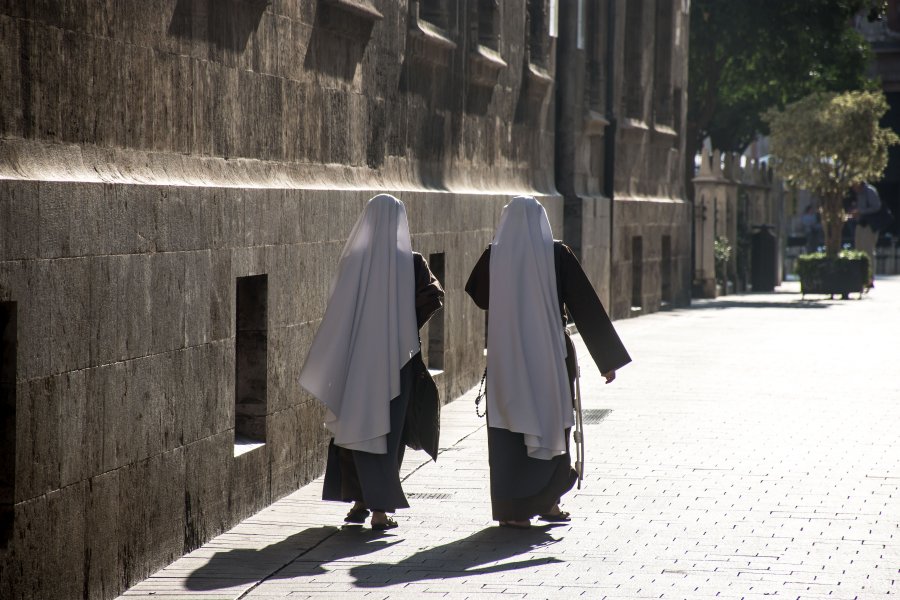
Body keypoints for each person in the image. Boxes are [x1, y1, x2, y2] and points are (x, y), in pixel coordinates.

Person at [464, 196, 631, 529]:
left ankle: (513, 511)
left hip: (508, 354)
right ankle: (550, 504)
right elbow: (585, 304)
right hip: (551, 354)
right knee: (553, 422)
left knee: (508, 430)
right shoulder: (557, 253)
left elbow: (477, 294)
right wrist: (607, 360)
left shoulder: (494, 255)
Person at [299, 194, 444, 530]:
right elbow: (433, 296)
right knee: (388, 432)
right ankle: (379, 510)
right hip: (399, 361)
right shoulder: (412, 261)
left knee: (356, 428)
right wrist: (406, 326)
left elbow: (339, 310)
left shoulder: (356, 260)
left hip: (358, 360)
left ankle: (360, 502)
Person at [850, 181, 882, 288]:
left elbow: (877, 207)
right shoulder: (859, 194)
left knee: (868, 251)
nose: (853, 188)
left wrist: (861, 211)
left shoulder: (870, 191)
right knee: (859, 250)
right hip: (860, 224)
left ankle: (869, 278)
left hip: (869, 225)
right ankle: (861, 277)